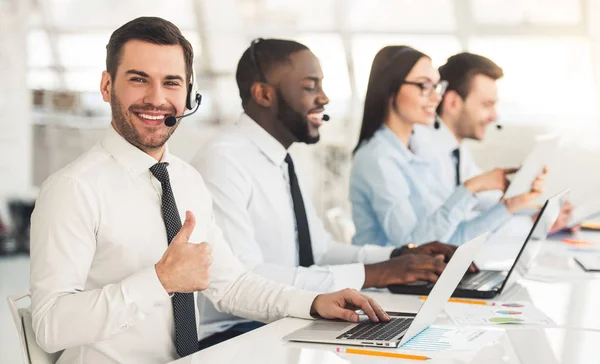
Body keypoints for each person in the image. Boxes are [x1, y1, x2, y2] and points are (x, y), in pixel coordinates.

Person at [29, 18, 389, 364]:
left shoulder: (186, 180)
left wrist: (312, 302)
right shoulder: (72, 190)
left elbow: (230, 285)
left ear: (188, 94)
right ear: (107, 86)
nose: (156, 99)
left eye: (171, 83)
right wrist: (160, 281)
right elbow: (48, 326)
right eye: (139, 80)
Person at [190, 38, 468, 349]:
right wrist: (374, 274)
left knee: (431, 341)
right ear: (264, 94)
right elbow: (245, 278)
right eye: (310, 87)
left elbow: (319, 251)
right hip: (237, 333)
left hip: (289, 319)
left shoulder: (285, 158)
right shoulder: (224, 161)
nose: (323, 97)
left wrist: (400, 256)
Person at [350, 46, 547, 247]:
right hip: (391, 275)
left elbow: (445, 240)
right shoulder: (378, 158)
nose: (436, 98)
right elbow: (414, 246)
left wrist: (510, 206)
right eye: (424, 86)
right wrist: (471, 188)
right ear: (391, 89)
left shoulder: (414, 149)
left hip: (424, 271)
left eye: (436, 87)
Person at [424, 52, 574, 234]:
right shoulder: (424, 155)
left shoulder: (457, 151)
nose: (495, 116)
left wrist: (541, 212)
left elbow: (488, 201)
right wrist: (534, 224)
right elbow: (452, 232)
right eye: (486, 105)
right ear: (453, 102)